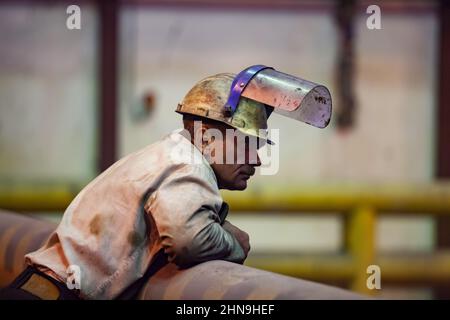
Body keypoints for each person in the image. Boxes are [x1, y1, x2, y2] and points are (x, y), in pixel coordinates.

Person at [0, 65, 331, 300]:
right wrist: (238, 242)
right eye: (246, 143)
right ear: (206, 135)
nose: (256, 159)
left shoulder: (167, 158)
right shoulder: (186, 164)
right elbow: (190, 241)